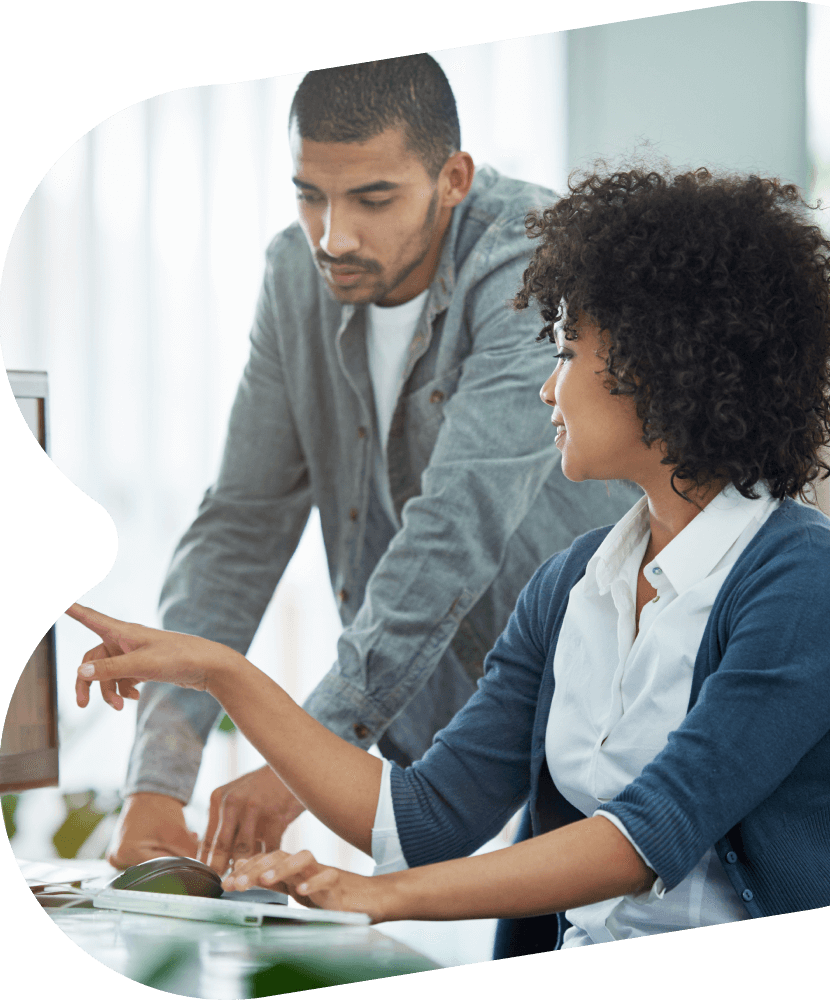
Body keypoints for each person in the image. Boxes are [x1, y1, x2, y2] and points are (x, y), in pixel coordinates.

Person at [70, 162, 830, 948]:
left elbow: (646, 836)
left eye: (569, 353)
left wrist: (379, 896)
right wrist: (222, 672)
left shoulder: (807, 582)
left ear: (662, 366)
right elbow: (426, 817)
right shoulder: (574, 582)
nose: (548, 386)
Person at [109, 56, 637, 957]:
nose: (334, 236)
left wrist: (306, 749)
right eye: (310, 195)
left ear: (453, 178)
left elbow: (457, 522)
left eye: (375, 199)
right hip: (452, 733)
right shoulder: (294, 276)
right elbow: (241, 522)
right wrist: (157, 779)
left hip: (600, 693)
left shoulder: (531, 254)